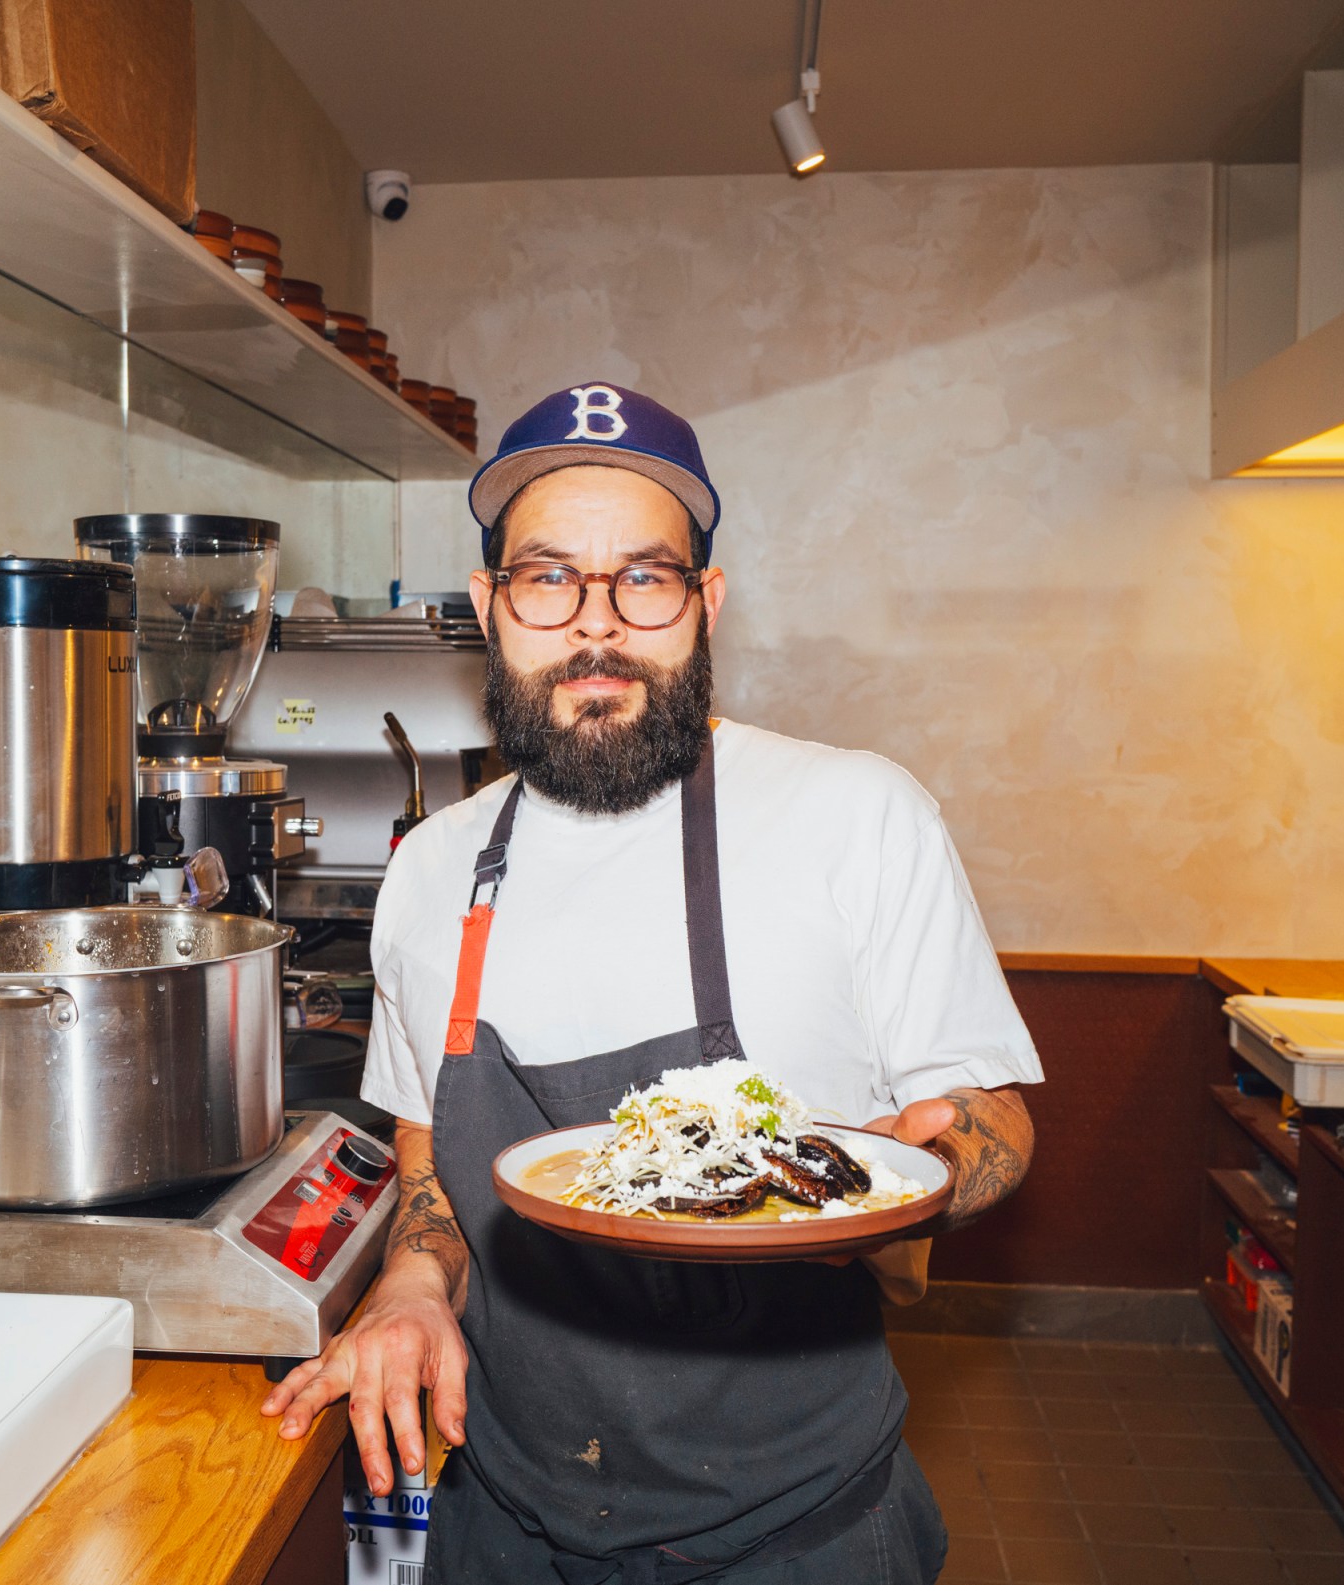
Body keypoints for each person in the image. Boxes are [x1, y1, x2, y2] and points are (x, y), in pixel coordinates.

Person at [262, 382, 1041, 1583]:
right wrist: (412, 1285)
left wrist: (908, 1181)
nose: (597, 625)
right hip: (505, 1523)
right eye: (547, 577)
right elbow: (428, 1155)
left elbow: (996, 1121)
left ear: (705, 603)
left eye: (644, 578)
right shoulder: (431, 871)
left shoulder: (855, 817)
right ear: (489, 606)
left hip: (799, 1536)